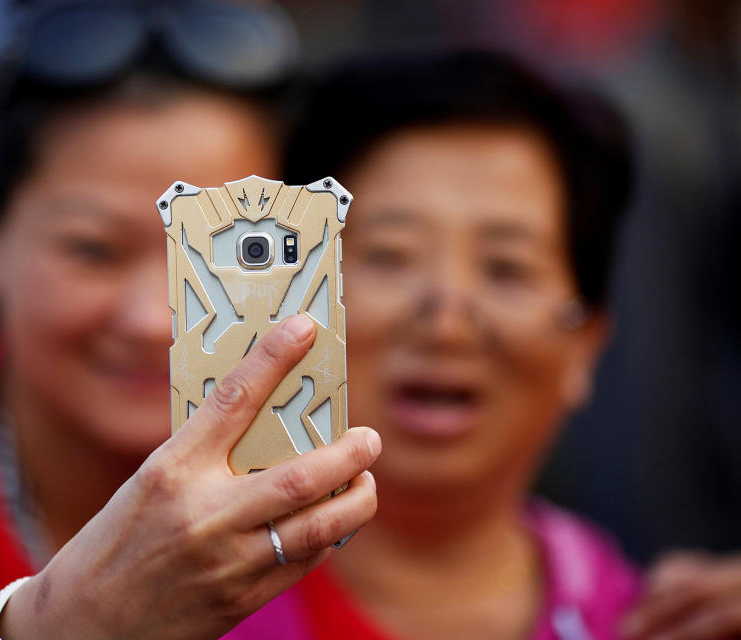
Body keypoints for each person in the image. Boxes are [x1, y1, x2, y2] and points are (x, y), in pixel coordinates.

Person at [0, 3, 381, 639]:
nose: (154, 319)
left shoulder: (353, 500)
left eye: (216, 257)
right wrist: (73, 620)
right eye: (92, 249)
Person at [227, 50, 639, 640]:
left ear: (585, 344)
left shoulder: (652, 621)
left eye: (507, 268)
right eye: (390, 256)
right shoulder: (176, 610)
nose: (446, 324)